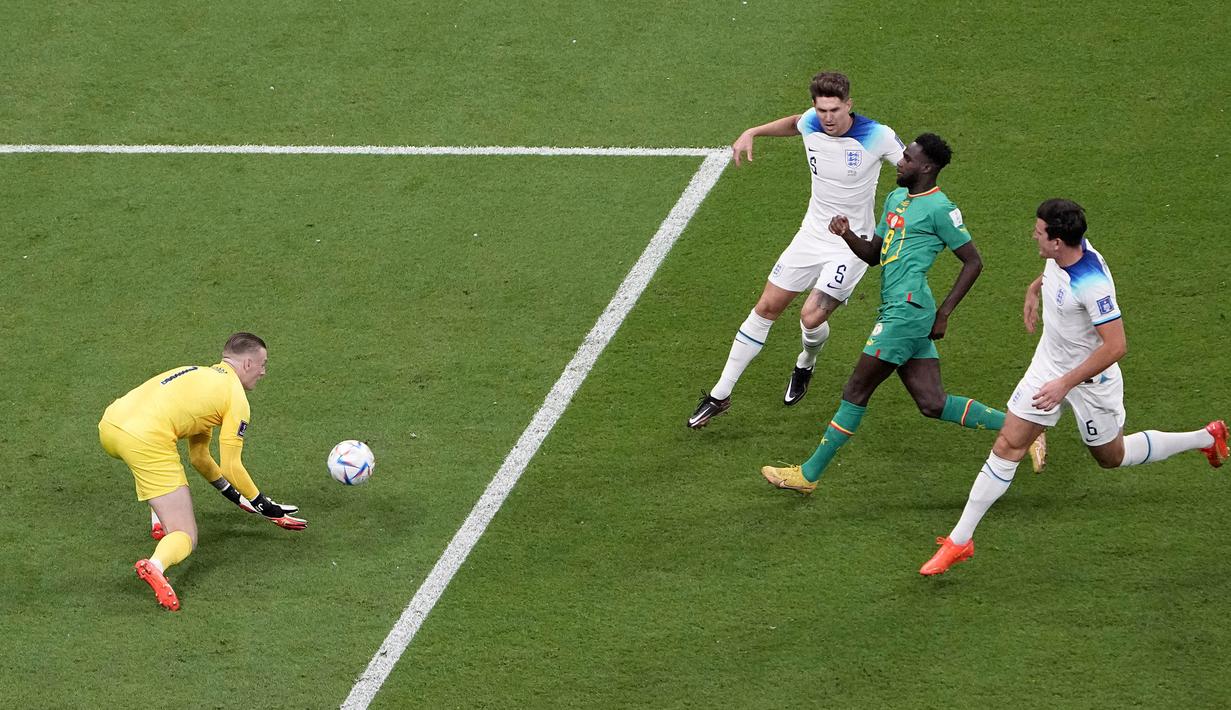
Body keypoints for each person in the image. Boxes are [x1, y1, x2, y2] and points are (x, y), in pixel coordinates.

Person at [919, 199, 1228, 575]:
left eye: (1038, 232)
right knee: (1008, 443)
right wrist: (1035, 289)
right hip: (1049, 365)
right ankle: (960, 539)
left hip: (1090, 381)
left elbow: (1117, 346)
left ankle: (1205, 438)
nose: (1033, 235)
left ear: (1058, 241)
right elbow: (1054, 272)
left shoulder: (1093, 285)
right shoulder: (1068, 251)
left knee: (1110, 457)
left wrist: (1065, 383)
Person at [760, 133, 1005, 493]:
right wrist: (846, 235)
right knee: (932, 403)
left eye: (907, 159)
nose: (900, 162)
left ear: (927, 167)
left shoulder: (940, 209)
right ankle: (1023, 426)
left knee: (856, 389)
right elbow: (875, 254)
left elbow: (973, 262)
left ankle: (808, 476)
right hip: (899, 309)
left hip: (906, 313)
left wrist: (945, 312)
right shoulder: (895, 198)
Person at [687, 71, 905, 429]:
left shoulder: (876, 135)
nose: (828, 118)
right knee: (766, 306)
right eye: (821, 110)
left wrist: (898, 222)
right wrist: (752, 131)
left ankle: (806, 361)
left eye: (834, 110)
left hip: (851, 243)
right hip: (811, 235)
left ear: (849, 105)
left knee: (810, 317)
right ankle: (720, 394)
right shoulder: (811, 122)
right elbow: (794, 123)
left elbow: (911, 169)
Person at [98, 332, 306, 611]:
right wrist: (265, 506)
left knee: (160, 457)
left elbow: (199, 457)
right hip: (144, 439)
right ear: (246, 364)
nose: (264, 372)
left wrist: (238, 499)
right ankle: (156, 566)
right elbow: (232, 465)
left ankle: (159, 520)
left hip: (110, 426)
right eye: (262, 364)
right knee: (186, 534)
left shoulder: (201, 377)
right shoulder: (236, 399)